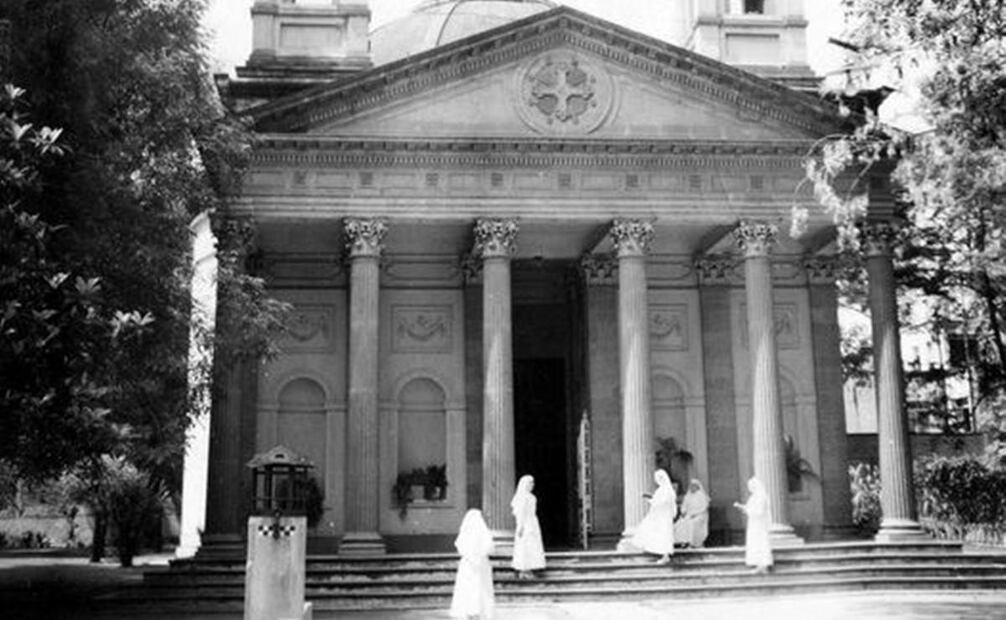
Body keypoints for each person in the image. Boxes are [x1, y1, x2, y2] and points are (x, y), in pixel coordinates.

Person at [450, 509, 495, 619]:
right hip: (481, 565)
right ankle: (479, 611)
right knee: (480, 588)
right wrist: (480, 556)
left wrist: (470, 557)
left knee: (468, 588)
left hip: (468, 565)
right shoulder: (483, 533)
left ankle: (469, 611)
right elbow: (490, 548)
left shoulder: (466, 533)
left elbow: (460, 547)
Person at [630, 469, 677, 564]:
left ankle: (665, 555)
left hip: (663, 516)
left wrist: (652, 500)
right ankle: (651, 548)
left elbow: (662, 502)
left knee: (664, 534)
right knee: (650, 529)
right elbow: (657, 501)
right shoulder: (662, 490)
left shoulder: (666, 490)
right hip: (659, 515)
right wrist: (650, 499)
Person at [733, 477, 773, 574]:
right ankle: (759, 564)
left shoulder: (761, 497)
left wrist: (747, 510)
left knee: (760, 543)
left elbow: (759, 512)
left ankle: (763, 565)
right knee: (755, 543)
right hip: (754, 524)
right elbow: (750, 508)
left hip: (759, 524)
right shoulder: (754, 497)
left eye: (751, 486)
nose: (749, 488)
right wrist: (741, 507)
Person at [510, 474, 546, 580]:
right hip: (525, 523)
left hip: (532, 522)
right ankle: (523, 568)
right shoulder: (522, 497)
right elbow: (520, 513)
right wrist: (520, 526)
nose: (532, 485)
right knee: (524, 545)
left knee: (532, 545)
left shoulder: (532, 497)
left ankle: (531, 567)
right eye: (530, 483)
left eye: (533, 483)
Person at [674, 478, 711, 548]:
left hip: (699, 515)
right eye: (691, 486)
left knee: (692, 523)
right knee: (681, 523)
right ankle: (683, 542)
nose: (692, 488)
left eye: (693, 486)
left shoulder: (701, 496)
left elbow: (703, 508)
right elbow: (684, 506)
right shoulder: (688, 496)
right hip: (689, 515)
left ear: (697, 487)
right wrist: (683, 512)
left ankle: (693, 542)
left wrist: (695, 514)